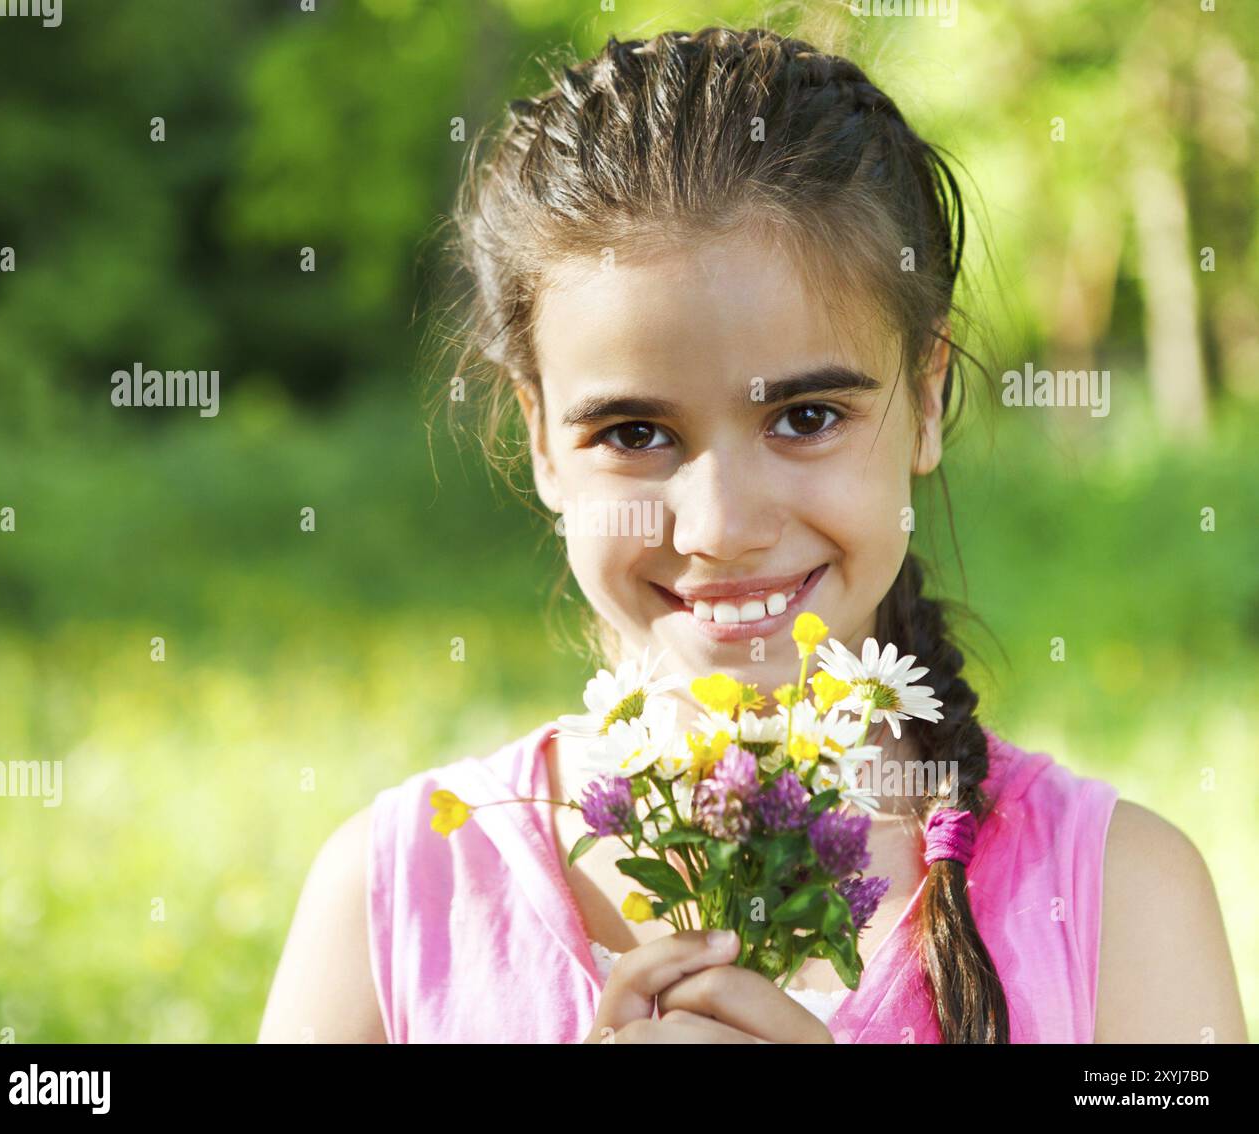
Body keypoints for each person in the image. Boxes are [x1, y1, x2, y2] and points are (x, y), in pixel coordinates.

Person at [257, 27, 1247, 1044]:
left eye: (806, 417)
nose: (722, 527)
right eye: (634, 433)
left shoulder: (1119, 902)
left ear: (928, 395)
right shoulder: (396, 903)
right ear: (540, 441)